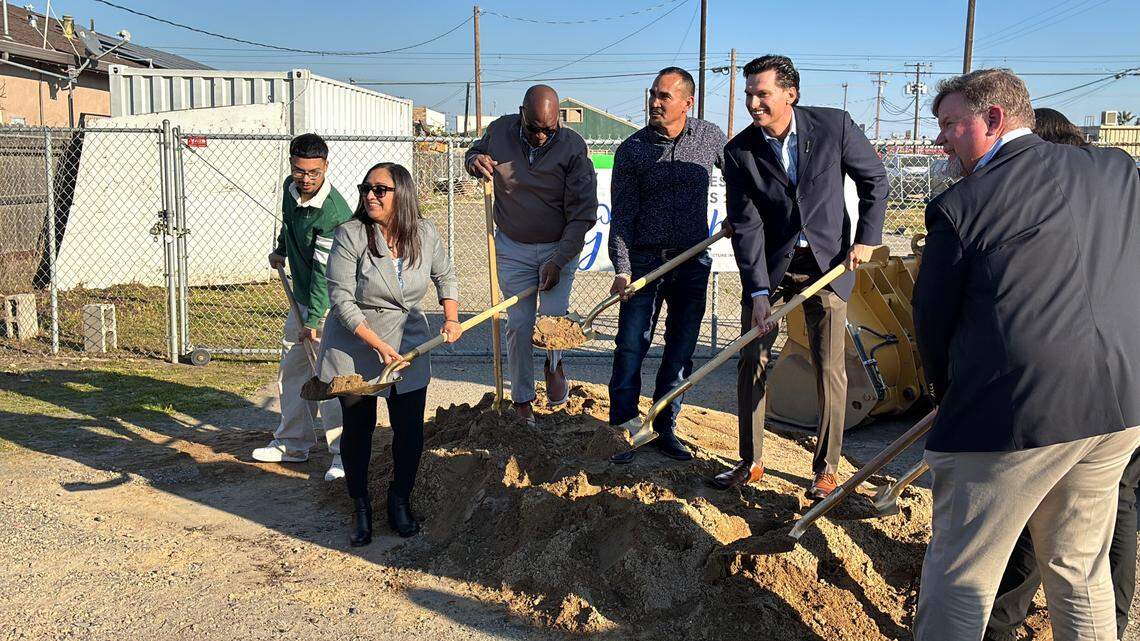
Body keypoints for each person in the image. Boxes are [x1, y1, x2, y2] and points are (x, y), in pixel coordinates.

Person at [912, 69, 1140, 641]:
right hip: (1119, 406)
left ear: (993, 119)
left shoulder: (963, 206)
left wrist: (946, 399)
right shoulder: (1116, 171)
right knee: (1080, 569)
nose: (940, 139)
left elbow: (931, 325)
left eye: (949, 125)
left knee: (961, 575)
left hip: (1015, 414)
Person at [985, 107, 1140, 641]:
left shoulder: (1060, 205)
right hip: (1126, 380)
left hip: (1089, 387)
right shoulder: (1116, 193)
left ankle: (1003, 619)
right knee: (1112, 504)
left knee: (1057, 507)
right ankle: (1110, 622)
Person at [714, 55, 887, 499]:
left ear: (790, 94)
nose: (753, 102)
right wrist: (755, 292)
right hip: (771, 271)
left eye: (762, 93)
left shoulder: (834, 127)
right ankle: (750, 461)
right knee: (752, 359)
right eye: (750, 93)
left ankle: (826, 470)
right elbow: (747, 225)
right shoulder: (739, 153)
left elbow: (874, 181)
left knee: (829, 367)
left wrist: (866, 237)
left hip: (827, 266)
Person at [318, 162, 460, 545]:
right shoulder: (351, 235)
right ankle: (361, 506)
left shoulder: (425, 233)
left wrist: (450, 318)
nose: (370, 195)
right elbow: (342, 300)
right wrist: (378, 345)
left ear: (403, 195)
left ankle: (399, 500)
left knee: (409, 428)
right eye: (366, 188)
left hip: (409, 339)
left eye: (380, 189)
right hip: (356, 341)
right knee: (358, 428)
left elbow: (445, 275)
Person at [606, 67, 727, 464]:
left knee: (680, 349)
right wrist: (623, 268)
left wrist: (740, 214)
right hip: (644, 262)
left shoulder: (709, 138)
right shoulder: (633, 149)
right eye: (653, 95)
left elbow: (743, 175)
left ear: (687, 103)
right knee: (630, 346)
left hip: (692, 261)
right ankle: (624, 426)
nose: (655, 103)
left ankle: (664, 425)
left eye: (665, 97)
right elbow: (621, 216)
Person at [464, 85, 598, 425]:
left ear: (559, 122)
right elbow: (473, 153)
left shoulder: (572, 148)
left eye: (548, 130)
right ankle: (522, 400)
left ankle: (554, 364)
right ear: (521, 112)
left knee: (552, 323)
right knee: (520, 324)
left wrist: (559, 259)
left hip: (558, 245)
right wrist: (473, 160)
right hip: (512, 246)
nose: (540, 136)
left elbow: (582, 213)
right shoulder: (498, 131)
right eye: (533, 127)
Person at [253, 133, 353, 482]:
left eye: (314, 172)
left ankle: (344, 454)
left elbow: (329, 273)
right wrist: (282, 249)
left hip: (332, 302)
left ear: (326, 167)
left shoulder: (334, 213)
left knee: (329, 378)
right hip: (302, 293)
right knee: (293, 368)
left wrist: (314, 319)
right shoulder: (289, 187)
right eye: (299, 171)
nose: (306, 179)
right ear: (292, 165)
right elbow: (289, 223)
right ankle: (293, 444)